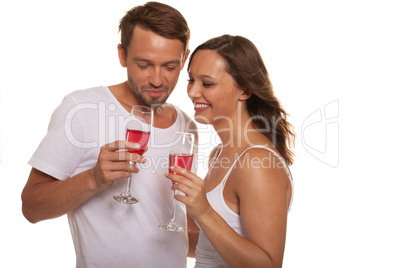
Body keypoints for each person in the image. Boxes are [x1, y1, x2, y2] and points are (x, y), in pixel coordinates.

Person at [21, 2, 197, 267]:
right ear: (122, 55)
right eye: (144, 64)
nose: (158, 80)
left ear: (184, 60)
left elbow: (179, 229)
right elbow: (31, 208)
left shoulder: (187, 126)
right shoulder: (81, 109)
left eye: (170, 66)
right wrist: (94, 178)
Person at [166, 34, 295, 267]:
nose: (192, 92)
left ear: (244, 91)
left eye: (207, 83)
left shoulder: (258, 161)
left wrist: (204, 212)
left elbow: (268, 264)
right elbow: (211, 247)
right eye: (191, 79)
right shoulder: (219, 153)